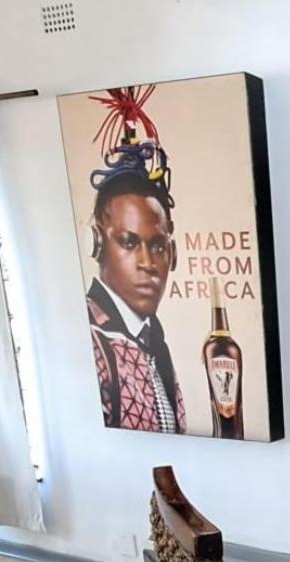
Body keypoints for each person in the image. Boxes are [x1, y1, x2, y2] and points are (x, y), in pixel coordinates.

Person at [85, 88, 184, 434]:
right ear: (98, 243)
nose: (147, 263)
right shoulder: (92, 341)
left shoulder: (156, 343)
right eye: (128, 242)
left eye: (158, 246)